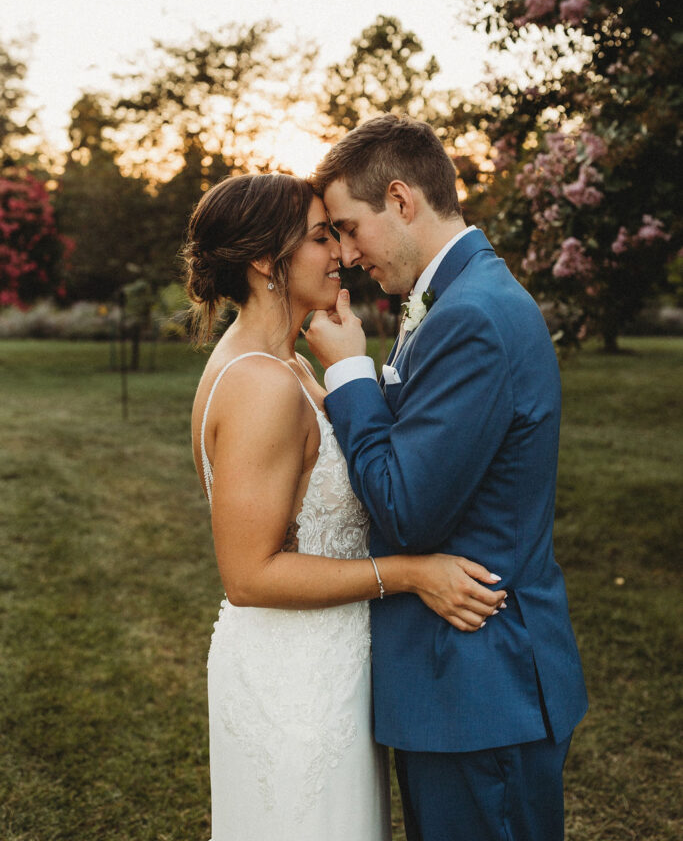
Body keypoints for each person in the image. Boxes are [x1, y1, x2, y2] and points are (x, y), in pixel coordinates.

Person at [184, 171, 506, 841]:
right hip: (292, 681)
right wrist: (412, 573)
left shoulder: (292, 366)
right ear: (264, 261)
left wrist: (348, 367)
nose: (340, 253)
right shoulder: (260, 385)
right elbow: (248, 576)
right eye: (319, 237)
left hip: (327, 663)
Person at [306, 114, 589, 841]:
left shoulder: (471, 317)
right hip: (456, 688)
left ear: (400, 200)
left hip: (477, 684)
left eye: (346, 227)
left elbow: (405, 509)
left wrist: (346, 374)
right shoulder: (454, 299)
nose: (342, 253)